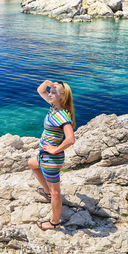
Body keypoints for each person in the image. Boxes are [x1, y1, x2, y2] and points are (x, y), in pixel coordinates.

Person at [28, 80, 76, 230]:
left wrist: (55, 150)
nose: (49, 94)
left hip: (51, 159)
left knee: (56, 193)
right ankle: (47, 191)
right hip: (44, 156)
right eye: (50, 91)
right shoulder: (53, 108)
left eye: (54, 92)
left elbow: (70, 139)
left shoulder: (62, 116)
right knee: (32, 164)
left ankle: (55, 222)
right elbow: (40, 91)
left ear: (62, 96)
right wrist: (48, 84)